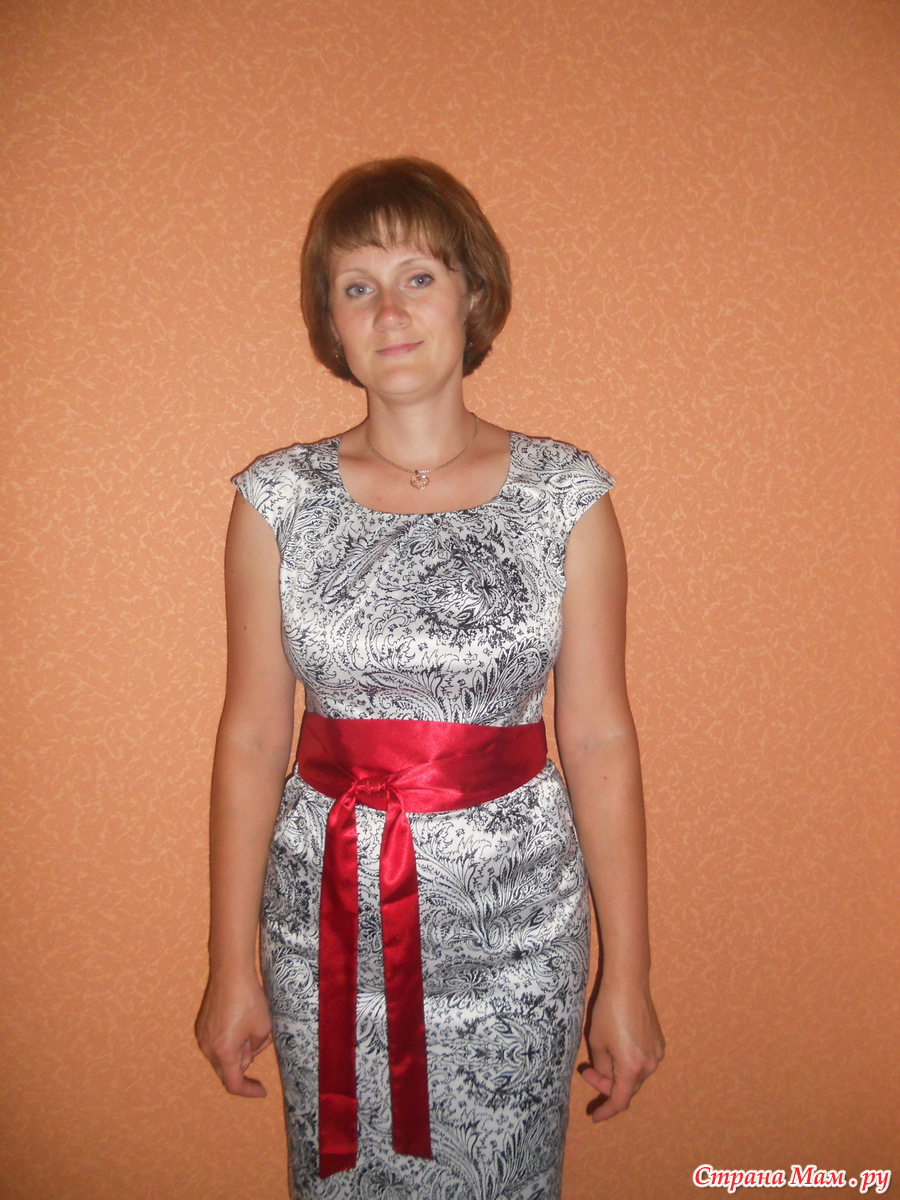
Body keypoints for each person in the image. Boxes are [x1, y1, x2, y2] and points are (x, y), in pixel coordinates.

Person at [195, 157, 664, 1199]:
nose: (390, 310)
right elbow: (253, 740)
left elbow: (598, 739)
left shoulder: (566, 496)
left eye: (418, 277)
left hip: (520, 933)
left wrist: (626, 977)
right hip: (327, 928)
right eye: (356, 286)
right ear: (331, 321)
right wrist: (231, 967)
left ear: (472, 295)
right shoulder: (276, 500)